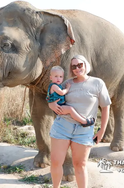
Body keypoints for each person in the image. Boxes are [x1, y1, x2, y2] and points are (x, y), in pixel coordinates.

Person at [48, 55, 111, 188]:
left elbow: (105, 107)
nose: (77, 68)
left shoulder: (97, 83)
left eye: (80, 65)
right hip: (62, 126)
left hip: (84, 130)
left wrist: (102, 130)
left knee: (80, 165)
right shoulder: (67, 83)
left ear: (85, 65)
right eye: (74, 66)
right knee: (55, 162)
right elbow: (52, 97)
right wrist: (51, 105)